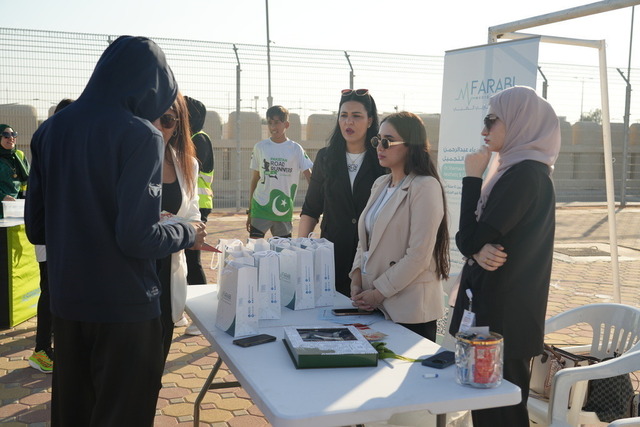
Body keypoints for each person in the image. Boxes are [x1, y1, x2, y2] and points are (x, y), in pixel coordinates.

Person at [25, 36, 206, 426]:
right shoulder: (141, 134)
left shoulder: (49, 131)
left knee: (73, 413)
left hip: (69, 304)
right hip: (126, 307)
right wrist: (187, 233)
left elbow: (37, 229)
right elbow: (138, 237)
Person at [449, 86, 561, 426]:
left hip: (504, 321)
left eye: (491, 120)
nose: (484, 130)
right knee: (489, 409)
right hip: (497, 314)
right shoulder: (514, 171)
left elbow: (468, 238)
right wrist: (477, 248)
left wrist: (471, 178)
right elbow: (476, 241)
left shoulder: (525, 176)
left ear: (519, 122)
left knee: (502, 413)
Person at [349, 112, 449, 341]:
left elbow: (419, 255)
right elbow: (365, 242)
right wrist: (356, 280)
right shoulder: (380, 184)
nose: (379, 147)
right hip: (375, 304)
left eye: (388, 141)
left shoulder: (425, 186)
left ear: (410, 145)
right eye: (377, 140)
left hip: (409, 311)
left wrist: (378, 293)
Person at [299, 89, 385, 296]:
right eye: (344, 115)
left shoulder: (382, 159)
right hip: (332, 257)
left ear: (370, 120)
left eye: (357, 116)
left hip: (371, 258)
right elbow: (311, 209)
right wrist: (299, 253)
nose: (349, 122)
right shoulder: (326, 157)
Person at [152, 93, 201, 360]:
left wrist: (194, 230)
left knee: (159, 352)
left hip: (168, 272)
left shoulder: (187, 164)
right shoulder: (124, 160)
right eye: (151, 117)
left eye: (167, 120)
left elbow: (192, 213)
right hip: (133, 276)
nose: (158, 126)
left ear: (178, 124)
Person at [28, 98, 74, 374]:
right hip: (49, 234)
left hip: (52, 233)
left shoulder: (53, 143)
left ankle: (48, 344)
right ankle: (41, 350)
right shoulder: (54, 146)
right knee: (50, 291)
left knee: (54, 289)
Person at [247, 105, 312, 238]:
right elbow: (255, 179)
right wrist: (250, 210)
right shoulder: (260, 147)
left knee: (284, 249)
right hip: (260, 208)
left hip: (283, 209)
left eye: (277, 122)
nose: (273, 127)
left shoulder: (296, 149)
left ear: (286, 124)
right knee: (255, 247)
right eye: (270, 123)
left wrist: (318, 202)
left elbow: (310, 177)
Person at [183, 95, 213, 287]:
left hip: (199, 205)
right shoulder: (193, 138)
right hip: (191, 204)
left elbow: (188, 167)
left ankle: (199, 293)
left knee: (192, 260)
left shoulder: (199, 139)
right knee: (186, 259)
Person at [0, 124, 29, 213]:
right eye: (6, 135)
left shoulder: (20, 155)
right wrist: (2, 197)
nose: (11, 138)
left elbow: (27, 180)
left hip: (16, 206)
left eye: (13, 134)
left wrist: (25, 196)